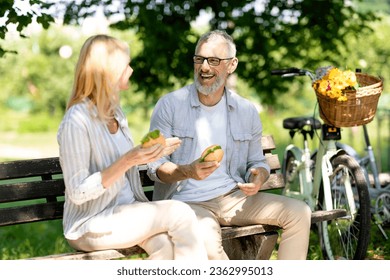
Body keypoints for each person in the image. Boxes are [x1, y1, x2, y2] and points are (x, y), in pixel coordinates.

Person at [147, 30, 312, 260]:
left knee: (299, 212)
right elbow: (155, 167)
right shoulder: (170, 105)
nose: (204, 67)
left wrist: (258, 177)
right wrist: (187, 171)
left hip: (233, 198)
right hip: (186, 203)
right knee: (211, 249)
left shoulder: (245, 110)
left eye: (214, 60)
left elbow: (258, 162)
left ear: (232, 65)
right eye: (199, 59)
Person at [57, 34, 207, 260]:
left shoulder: (116, 113)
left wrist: (151, 153)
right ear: (109, 70)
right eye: (126, 65)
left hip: (127, 212)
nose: (131, 70)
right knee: (179, 212)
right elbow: (78, 192)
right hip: (90, 223)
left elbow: (127, 162)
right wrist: (128, 159)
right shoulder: (76, 120)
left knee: (166, 248)